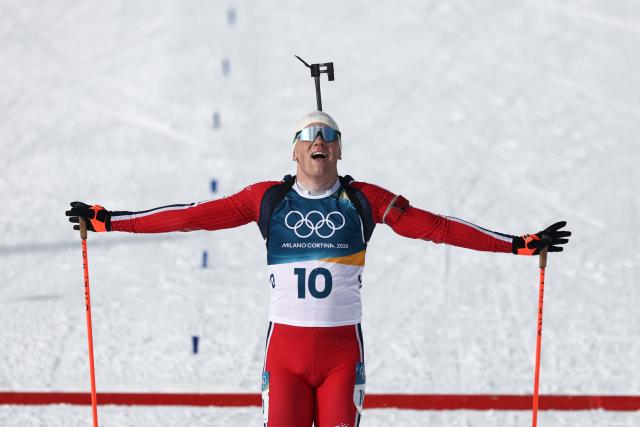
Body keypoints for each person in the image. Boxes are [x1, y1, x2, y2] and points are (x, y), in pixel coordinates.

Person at [66, 110, 571, 427]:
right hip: (284, 353)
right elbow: (190, 217)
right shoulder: (267, 199)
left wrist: (516, 246)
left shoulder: (365, 200)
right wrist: (111, 222)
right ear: (294, 150)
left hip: (339, 355)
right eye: (309, 134)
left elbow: (436, 227)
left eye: (328, 134)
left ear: (339, 150)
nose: (319, 140)